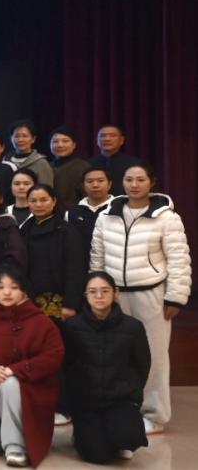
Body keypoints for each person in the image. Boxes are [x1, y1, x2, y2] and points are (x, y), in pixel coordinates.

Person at [90, 163, 191, 435]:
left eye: (140, 179)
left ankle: (154, 414)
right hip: (114, 296)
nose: (134, 185)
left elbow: (179, 259)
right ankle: (122, 407)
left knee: (154, 355)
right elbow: (97, 257)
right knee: (117, 353)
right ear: (121, 182)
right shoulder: (107, 215)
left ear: (151, 182)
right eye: (129, 179)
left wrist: (175, 297)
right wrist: (97, 291)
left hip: (152, 294)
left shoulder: (166, 217)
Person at [0, 265, 64, 467]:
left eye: (14, 287)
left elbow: (54, 356)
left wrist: (16, 370)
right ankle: (18, 438)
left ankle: (15, 448)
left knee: (9, 382)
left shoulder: (41, 321)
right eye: (0, 287)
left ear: (24, 290)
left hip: (33, 394)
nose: (7, 292)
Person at [62, 272, 150, 463]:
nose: (99, 296)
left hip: (119, 399)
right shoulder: (72, 326)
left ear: (115, 293)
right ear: (85, 295)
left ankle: (118, 437)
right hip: (86, 401)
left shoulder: (133, 327)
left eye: (105, 291)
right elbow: (67, 364)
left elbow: (142, 365)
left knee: (128, 437)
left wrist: (131, 392)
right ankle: (85, 434)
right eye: (93, 291)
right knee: (97, 455)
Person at [18, 185, 85, 320]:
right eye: (33, 201)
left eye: (44, 200)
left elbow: (75, 269)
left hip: (60, 300)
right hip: (30, 298)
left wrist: (71, 303)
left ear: (54, 201)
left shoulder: (67, 231)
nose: (38, 205)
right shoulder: (24, 230)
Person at [65, 166, 113, 256]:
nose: (95, 185)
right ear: (83, 186)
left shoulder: (119, 209)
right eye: (90, 181)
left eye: (100, 181)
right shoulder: (71, 214)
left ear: (109, 184)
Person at [89, 124, 143, 195]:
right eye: (102, 136)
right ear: (97, 140)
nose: (107, 139)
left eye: (112, 135)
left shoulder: (135, 164)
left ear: (121, 140)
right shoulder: (87, 164)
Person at [48, 126, 89, 213]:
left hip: (75, 216)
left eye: (65, 141)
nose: (60, 145)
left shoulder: (83, 167)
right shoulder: (46, 167)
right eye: (55, 141)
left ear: (74, 145)